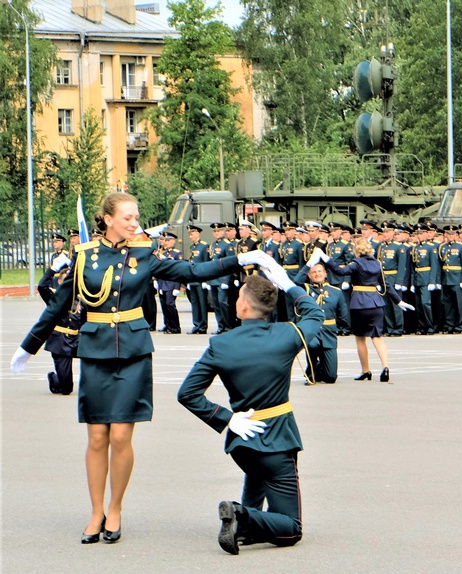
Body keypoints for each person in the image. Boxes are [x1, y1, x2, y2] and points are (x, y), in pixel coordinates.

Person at [9, 193, 268, 545]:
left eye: (136, 216)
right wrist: (29, 345)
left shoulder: (145, 254)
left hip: (132, 351)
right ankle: (96, 511)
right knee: (97, 437)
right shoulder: (85, 256)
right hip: (97, 351)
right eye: (128, 217)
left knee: (120, 436)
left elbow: (191, 271)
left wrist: (240, 258)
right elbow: (59, 302)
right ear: (107, 218)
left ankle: (115, 508)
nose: (135, 223)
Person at [177, 271, 322, 554]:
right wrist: (289, 286)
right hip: (277, 438)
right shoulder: (287, 334)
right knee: (291, 528)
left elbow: (187, 394)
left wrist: (227, 418)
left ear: (243, 305)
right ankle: (242, 515)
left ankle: (242, 523)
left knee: (256, 471)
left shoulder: (221, 344)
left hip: (241, 438)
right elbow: (315, 314)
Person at [318, 242, 413, 382]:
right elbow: (386, 284)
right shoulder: (377, 264)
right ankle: (385, 366)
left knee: (360, 338)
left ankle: (366, 370)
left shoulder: (356, 263)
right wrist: (398, 301)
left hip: (359, 304)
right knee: (377, 337)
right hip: (375, 303)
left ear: (357, 251)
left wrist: (326, 259)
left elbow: (340, 271)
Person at [293, 258, 347, 384]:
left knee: (330, 378)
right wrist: (309, 264)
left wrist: (337, 328)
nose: (317, 274)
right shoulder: (305, 289)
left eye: (320, 271)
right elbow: (296, 281)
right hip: (312, 330)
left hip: (329, 332)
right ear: (309, 275)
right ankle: (311, 369)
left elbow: (343, 315)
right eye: (313, 272)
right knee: (312, 344)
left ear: (325, 273)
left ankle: (320, 367)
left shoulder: (336, 292)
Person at [37, 254, 79, 395]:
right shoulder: (54, 298)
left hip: (79, 340)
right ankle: (54, 379)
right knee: (66, 389)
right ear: (60, 282)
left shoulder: (83, 298)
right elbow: (42, 287)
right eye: (65, 279)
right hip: (60, 342)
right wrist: (52, 269)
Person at [156, 232, 183, 334]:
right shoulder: (164, 253)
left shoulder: (177, 253)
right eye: (165, 240)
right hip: (163, 283)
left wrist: (177, 286)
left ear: (173, 241)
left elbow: (179, 271)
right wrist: (158, 282)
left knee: (170, 304)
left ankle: (175, 326)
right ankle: (168, 325)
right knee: (164, 305)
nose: (166, 243)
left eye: (168, 240)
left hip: (172, 283)